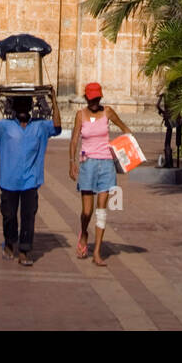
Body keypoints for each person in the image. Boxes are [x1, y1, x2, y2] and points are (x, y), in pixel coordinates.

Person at [0, 85, 61, 267]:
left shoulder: (40, 126)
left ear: (30, 108)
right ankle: (10, 243)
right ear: (15, 109)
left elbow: (57, 126)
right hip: (8, 180)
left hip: (30, 180)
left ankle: (25, 250)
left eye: (26, 106)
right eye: (21, 106)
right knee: (9, 215)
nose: (24, 110)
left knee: (28, 217)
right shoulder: (4, 126)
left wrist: (53, 99)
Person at [70, 81, 132, 266]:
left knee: (102, 211)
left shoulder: (108, 112)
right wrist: (72, 162)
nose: (94, 102)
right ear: (86, 99)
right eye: (91, 99)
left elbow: (125, 129)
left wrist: (128, 151)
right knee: (87, 211)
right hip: (87, 164)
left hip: (106, 164)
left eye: (97, 98)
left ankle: (97, 252)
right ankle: (84, 232)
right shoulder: (80, 115)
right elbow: (74, 139)